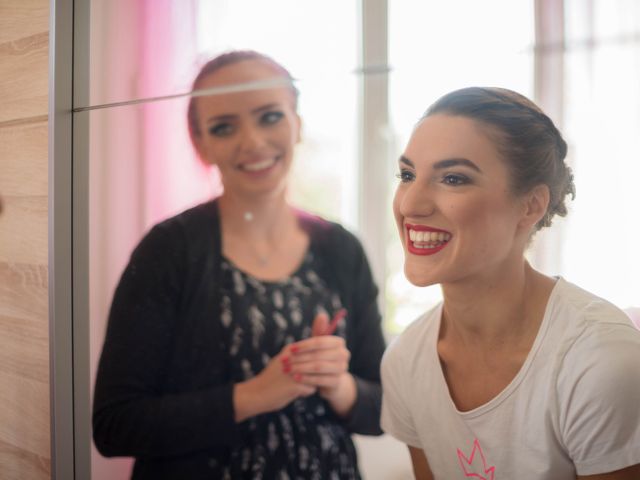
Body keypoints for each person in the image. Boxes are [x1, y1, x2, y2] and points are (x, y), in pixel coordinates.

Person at [92, 50, 386, 480]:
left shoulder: (342, 249)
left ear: (297, 124)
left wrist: (338, 385)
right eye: (224, 127)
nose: (252, 141)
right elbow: (115, 426)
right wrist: (253, 395)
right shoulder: (168, 250)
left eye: (269, 117)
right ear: (201, 144)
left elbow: (381, 412)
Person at [380, 87, 640, 479]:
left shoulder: (599, 361)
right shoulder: (406, 361)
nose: (410, 205)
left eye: (452, 178)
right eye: (407, 175)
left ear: (531, 205)